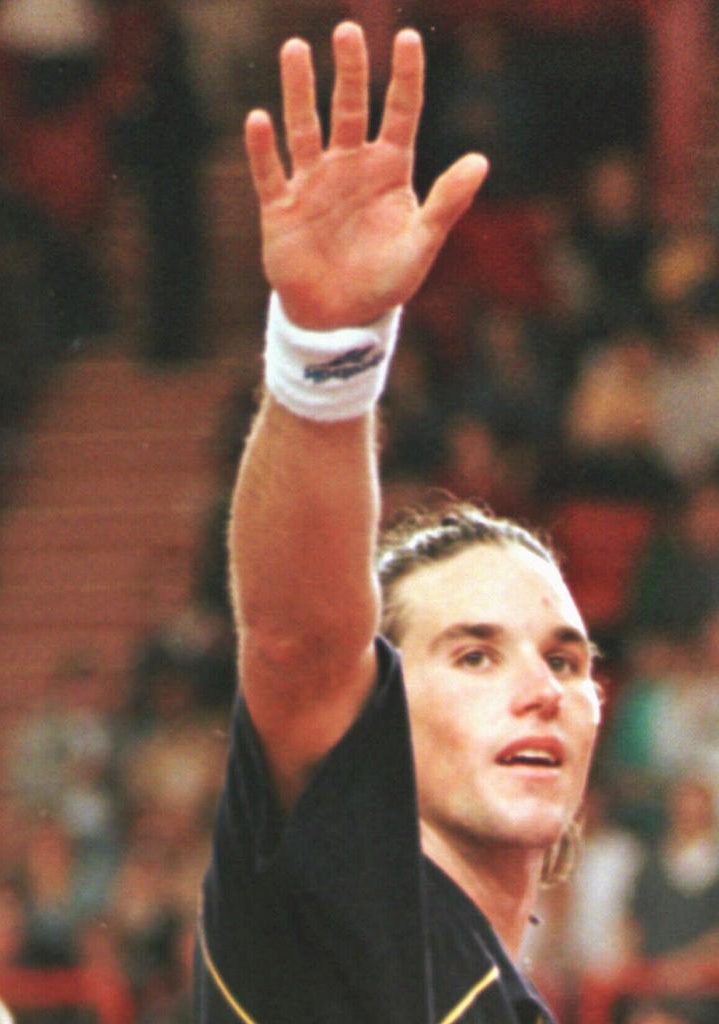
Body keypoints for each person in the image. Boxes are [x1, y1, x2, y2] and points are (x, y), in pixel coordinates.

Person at [196, 21, 601, 1023]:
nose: (542, 691)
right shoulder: (338, 913)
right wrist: (325, 358)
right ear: (371, 724)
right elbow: (298, 643)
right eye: (473, 654)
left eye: (568, 659)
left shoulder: (503, 999)